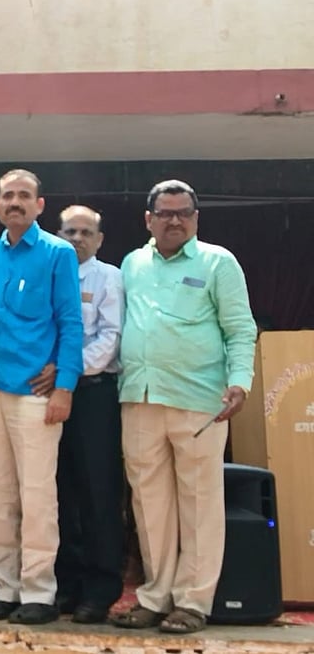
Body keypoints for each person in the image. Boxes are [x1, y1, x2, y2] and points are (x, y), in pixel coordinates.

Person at [110, 180, 256, 634]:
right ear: (148, 219)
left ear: (196, 218)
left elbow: (240, 329)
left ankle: (193, 602)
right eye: (165, 213)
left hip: (200, 400)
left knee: (199, 503)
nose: (175, 220)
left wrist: (240, 382)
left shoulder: (218, 262)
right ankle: (155, 597)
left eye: (184, 213)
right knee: (148, 504)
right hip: (140, 398)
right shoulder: (132, 264)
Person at [0, 169, 83, 625]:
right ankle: (6, 587)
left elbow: (71, 323)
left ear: (40, 205)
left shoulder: (58, 253)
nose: (15, 202)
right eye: (8, 196)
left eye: (24, 195)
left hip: (35, 393)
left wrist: (65, 386)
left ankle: (39, 592)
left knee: (37, 496)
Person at [54, 205, 126, 624]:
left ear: (99, 240)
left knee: (97, 492)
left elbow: (110, 338)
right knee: (60, 492)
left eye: (86, 233)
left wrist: (64, 371)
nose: (77, 239)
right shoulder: (49, 273)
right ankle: (67, 583)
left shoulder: (109, 277)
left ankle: (101, 588)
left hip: (93, 394)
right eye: (70, 232)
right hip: (49, 393)